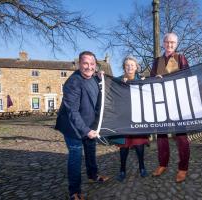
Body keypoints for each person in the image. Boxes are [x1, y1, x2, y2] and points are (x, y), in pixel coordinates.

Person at [55, 51, 109, 200]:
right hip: (72, 127)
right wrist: (86, 130)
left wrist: (101, 78)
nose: (89, 67)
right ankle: (74, 192)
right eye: (85, 63)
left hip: (88, 124)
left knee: (91, 151)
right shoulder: (72, 83)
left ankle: (93, 175)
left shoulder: (93, 78)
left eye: (92, 64)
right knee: (76, 157)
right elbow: (72, 111)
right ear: (79, 64)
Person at [150, 32, 190, 183]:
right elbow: (151, 78)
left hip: (178, 102)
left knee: (181, 138)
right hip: (161, 102)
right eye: (167, 42)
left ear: (176, 44)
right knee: (161, 137)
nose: (169, 44)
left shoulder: (181, 58)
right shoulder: (157, 61)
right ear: (163, 43)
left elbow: (188, 75)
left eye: (172, 42)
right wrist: (155, 78)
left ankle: (183, 168)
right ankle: (162, 164)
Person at [110, 56, 150, 182]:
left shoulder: (142, 80)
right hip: (123, 119)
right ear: (124, 67)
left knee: (139, 145)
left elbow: (151, 92)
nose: (130, 67)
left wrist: (156, 79)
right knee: (124, 146)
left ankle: (142, 167)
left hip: (138, 118)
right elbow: (107, 86)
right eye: (127, 65)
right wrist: (101, 76)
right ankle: (122, 170)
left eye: (132, 65)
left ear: (136, 67)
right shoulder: (117, 80)